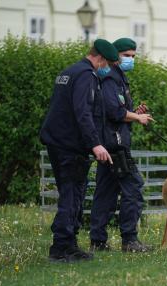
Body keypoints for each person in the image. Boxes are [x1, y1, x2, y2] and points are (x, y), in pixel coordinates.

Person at [40, 39, 119, 263]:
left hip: (59, 143)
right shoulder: (86, 75)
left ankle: (69, 245)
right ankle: (62, 248)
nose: (109, 68)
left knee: (71, 192)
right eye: (109, 63)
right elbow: (82, 112)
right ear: (101, 58)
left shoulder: (70, 71)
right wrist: (95, 143)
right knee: (72, 195)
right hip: (69, 146)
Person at [89, 38, 154, 253]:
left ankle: (98, 240)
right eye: (127, 55)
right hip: (114, 145)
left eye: (134, 56)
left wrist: (136, 112)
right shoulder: (109, 78)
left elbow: (121, 109)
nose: (131, 59)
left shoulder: (120, 77)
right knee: (133, 187)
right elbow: (113, 111)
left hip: (111, 143)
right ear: (115, 55)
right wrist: (137, 118)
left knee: (106, 192)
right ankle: (130, 240)